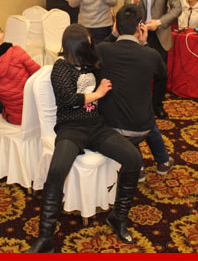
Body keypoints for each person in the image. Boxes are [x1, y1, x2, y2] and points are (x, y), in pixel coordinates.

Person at [26, 24, 143, 253]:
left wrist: (117, 34)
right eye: (87, 43)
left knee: (133, 158)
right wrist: (98, 93)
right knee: (57, 170)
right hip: (71, 128)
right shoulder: (61, 67)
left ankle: (118, 217)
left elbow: (104, 46)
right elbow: (68, 99)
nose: (91, 46)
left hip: (96, 126)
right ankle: (45, 237)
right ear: (75, 46)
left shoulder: (90, 62)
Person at [98, 4, 175, 183]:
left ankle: (138, 167)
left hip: (111, 125)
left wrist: (113, 34)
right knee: (144, 115)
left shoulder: (103, 50)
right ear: (140, 28)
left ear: (116, 26)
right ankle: (159, 162)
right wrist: (145, 43)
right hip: (142, 127)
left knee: (127, 110)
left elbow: (96, 51)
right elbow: (162, 74)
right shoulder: (151, 54)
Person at [125, 0, 181, 119]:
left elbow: (177, 8)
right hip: (139, 34)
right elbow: (126, 11)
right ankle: (138, 106)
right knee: (138, 72)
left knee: (161, 73)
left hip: (160, 33)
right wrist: (134, 0)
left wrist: (159, 22)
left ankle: (157, 106)